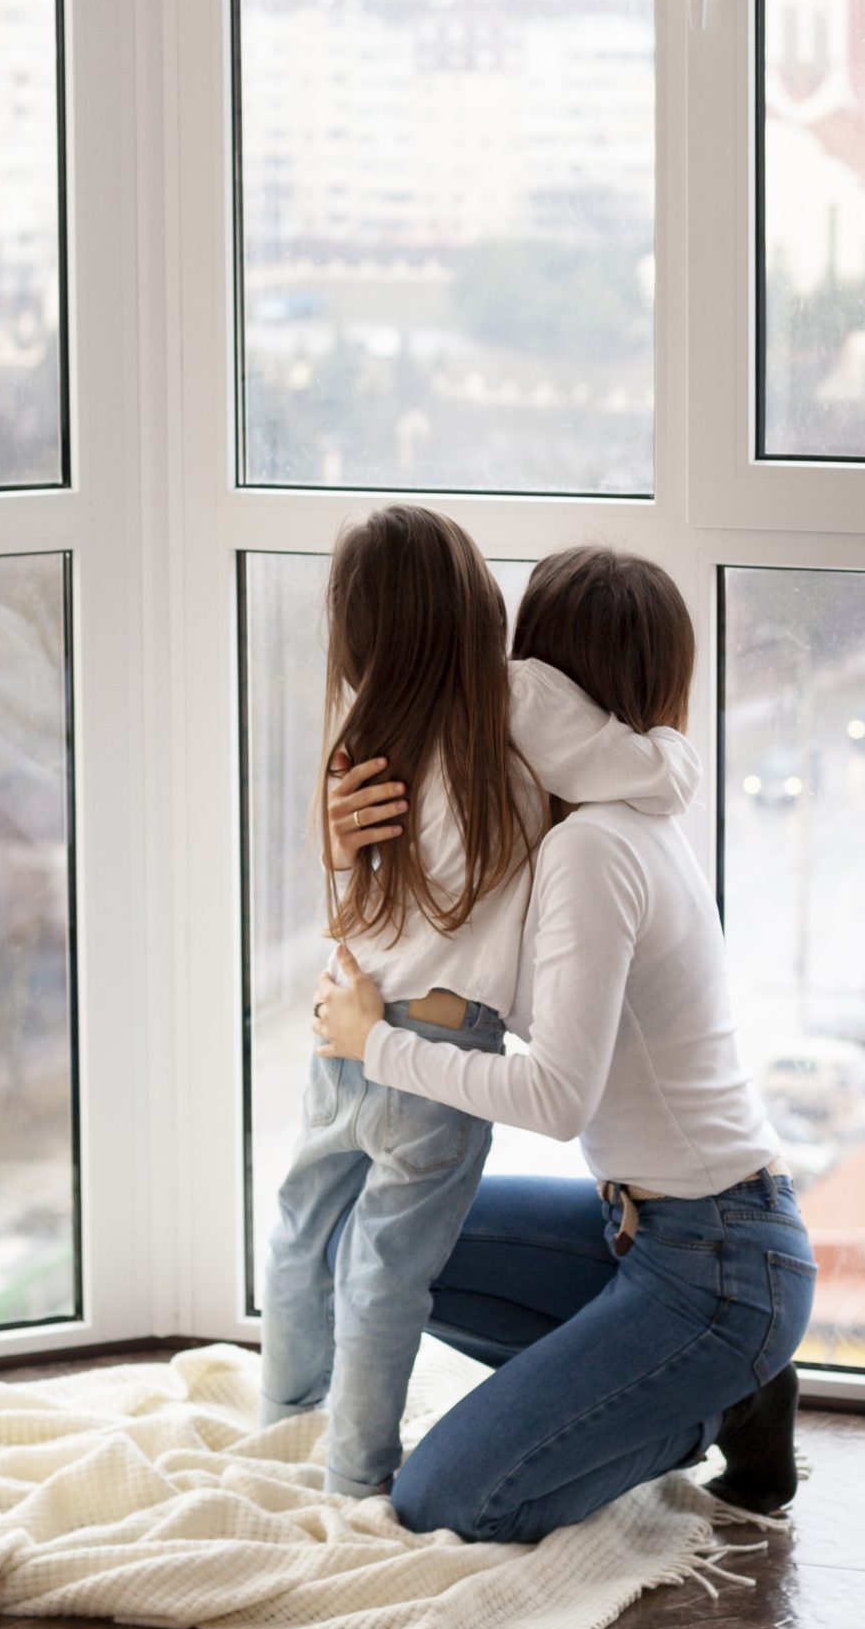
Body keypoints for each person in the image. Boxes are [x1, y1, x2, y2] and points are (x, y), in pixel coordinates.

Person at [313, 545, 817, 1542]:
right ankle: (654, 1381)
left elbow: (555, 1100)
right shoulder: (571, 821)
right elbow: (446, 950)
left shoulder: (595, 846)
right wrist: (348, 848)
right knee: (367, 1243)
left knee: (449, 1500)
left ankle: (718, 1402)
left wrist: (377, 1049)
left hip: (720, 1259)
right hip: (642, 1233)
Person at [259, 506, 698, 1498]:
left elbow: (363, 887)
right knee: (387, 1269)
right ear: (476, 604)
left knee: (303, 1229)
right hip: (439, 1051)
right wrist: (678, 748)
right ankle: (355, 1474)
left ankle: (283, 1420)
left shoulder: (371, 724)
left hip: (343, 1027)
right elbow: (645, 774)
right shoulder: (519, 697)